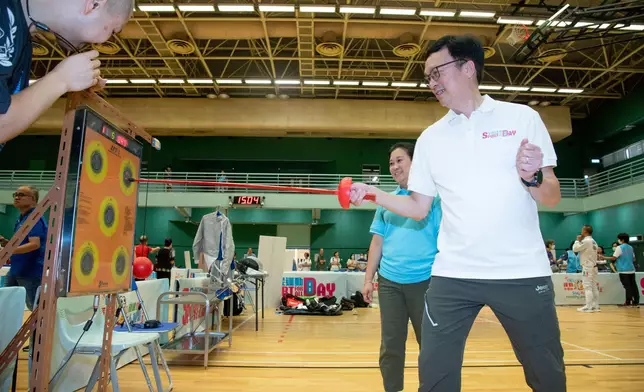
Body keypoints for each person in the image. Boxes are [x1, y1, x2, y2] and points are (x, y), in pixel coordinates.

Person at [350, 35, 566, 391]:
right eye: (428, 77)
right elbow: (418, 207)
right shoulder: (431, 139)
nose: (432, 83)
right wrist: (375, 194)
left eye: (438, 72)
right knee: (434, 374)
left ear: (468, 68)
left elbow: (552, 196)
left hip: (521, 271)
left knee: (546, 374)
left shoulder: (522, 118)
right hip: (453, 274)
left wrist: (533, 176)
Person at [0, 0, 134, 149]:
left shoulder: (20, 36)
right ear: (94, 4)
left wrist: (71, 79)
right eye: (112, 30)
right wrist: (61, 79)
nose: (104, 40)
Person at [363, 142, 442, 392]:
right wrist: (368, 279)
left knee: (430, 346)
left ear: (414, 162)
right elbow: (377, 243)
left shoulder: (434, 200)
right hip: (389, 284)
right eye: (391, 163)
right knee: (391, 346)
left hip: (425, 283)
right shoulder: (387, 201)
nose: (394, 166)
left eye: (400, 160)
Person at [0, 186, 46, 311]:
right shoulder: (21, 219)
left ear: (33, 200)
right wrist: (6, 243)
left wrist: (8, 251)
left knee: (34, 308)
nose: (17, 197)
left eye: (21, 194)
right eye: (15, 194)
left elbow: (34, 244)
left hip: (30, 272)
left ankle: (40, 331)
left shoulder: (34, 218)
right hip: (16, 270)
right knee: (5, 303)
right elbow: (21, 245)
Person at [603, 233, 639, 307]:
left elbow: (614, 258)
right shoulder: (630, 247)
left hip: (623, 270)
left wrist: (603, 257)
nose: (618, 240)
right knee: (633, 286)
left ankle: (628, 302)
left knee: (627, 286)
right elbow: (634, 258)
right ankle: (635, 302)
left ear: (622, 239)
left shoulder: (619, 247)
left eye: (619, 239)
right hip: (631, 269)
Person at [572, 225, 601, 312]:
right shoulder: (594, 241)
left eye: (582, 229)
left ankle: (588, 306)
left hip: (587, 267)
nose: (581, 231)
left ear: (585, 231)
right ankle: (596, 305)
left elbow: (575, 249)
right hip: (594, 266)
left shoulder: (586, 241)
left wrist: (577, 240)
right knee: (594, 286)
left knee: (587, 287)